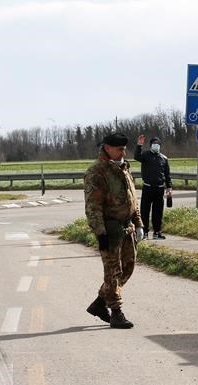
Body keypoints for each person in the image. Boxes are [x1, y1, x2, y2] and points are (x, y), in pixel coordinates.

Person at [84, 133, 144, 329]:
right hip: (110, 229)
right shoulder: (97, 172)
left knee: (128, 268)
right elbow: (93, 207)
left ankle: (100, 303)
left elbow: (133, 200)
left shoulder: (124, 169)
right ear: (107, 148)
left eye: (124, 149)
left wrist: (139, 223)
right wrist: (100, 233)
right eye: (119, 149)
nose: (122, 152)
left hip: (128, 227)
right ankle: (116, 312)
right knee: (113, 272)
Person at [134, 134, 172, 240]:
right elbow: (136, 157)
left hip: (159, 188)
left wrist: (169, 188)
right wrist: (139, 145)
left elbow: (167, 175)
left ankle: (157, 233)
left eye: (157, 144)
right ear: (150, 145)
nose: (156, 145)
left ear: (160, 145)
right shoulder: (145, 155)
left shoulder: (164, 158)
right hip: (148, 187)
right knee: (145, 211)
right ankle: (144, 233)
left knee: (158, 212)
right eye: (154, 144)